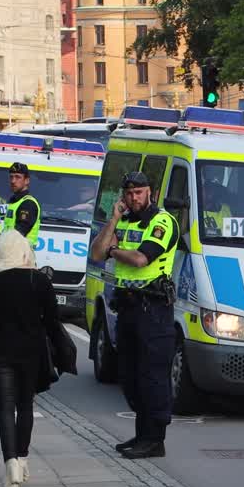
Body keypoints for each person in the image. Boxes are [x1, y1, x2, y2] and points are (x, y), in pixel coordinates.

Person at [88, 172, 178, 459]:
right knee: (130, 375)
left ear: (150, 191)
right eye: (129, 193)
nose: (133, 198)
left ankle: (155, 440)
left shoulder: (161, 221)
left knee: (152, 376)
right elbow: (97, 253)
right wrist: (113, 220)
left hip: (153, 308)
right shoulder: (124, 221)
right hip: (128, 306)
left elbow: (141, 259)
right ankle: (141, 435)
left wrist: (114, 249)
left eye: (139, 192)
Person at [0, 231, 61, 487]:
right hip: (31, 352)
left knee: (4, 409)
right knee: (25, 407)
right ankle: (22, 458)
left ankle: (9, 461)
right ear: (24, 252)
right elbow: (53, 320)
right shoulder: (39, 280)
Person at [6, 162, 41, 248]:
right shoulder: (15, 201)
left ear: (27, 181)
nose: (13, 181)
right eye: (11, 177)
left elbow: (19, 233)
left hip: (21, 255)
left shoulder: (28, 204)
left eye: (18, 177)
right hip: (12, 253)